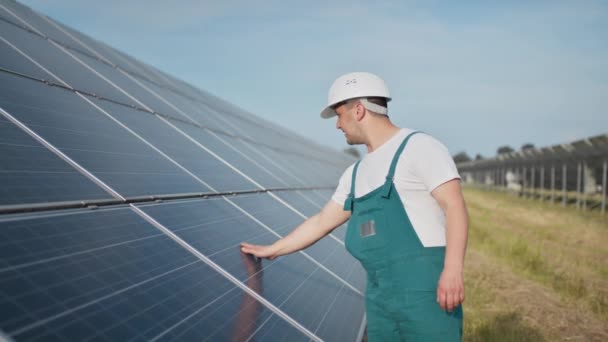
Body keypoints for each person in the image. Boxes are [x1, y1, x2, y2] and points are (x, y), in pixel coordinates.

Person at [241, 72, 468, 341]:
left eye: (339, 115)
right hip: (378, 295)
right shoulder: (355, 174)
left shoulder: (419, 147)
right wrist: (274, 249)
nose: (338, 125)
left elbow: (454, 207)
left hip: (423, 291)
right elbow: (322, 220)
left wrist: (452, 270)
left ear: (359, 110)